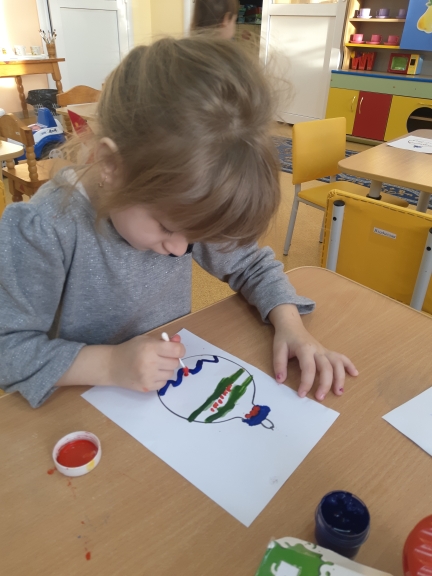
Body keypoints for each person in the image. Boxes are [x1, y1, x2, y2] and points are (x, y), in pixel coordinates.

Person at [0, 36, 358, 409]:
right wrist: (110, 364)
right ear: (111, 166)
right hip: (77, 407)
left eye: (194, 236)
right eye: (167, 228)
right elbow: (9, 350)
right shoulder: (42, 228)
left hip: (162, 396)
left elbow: (250, 264)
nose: (180, 249)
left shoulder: (185, 201)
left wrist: (291, 326)